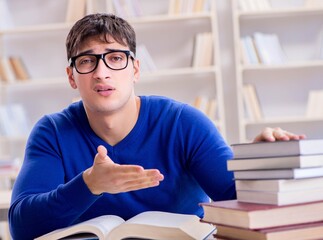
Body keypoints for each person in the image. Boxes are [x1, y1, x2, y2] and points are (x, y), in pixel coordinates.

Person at [8, 13, 306, 240]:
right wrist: (90, 185)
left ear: (135, 69)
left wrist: (262, 166)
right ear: (72, 76)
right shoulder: (52, 132)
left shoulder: (183, 123)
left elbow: (239, 201)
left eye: (115, 58)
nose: (101, 73)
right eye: (87, 62)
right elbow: (21, 226)